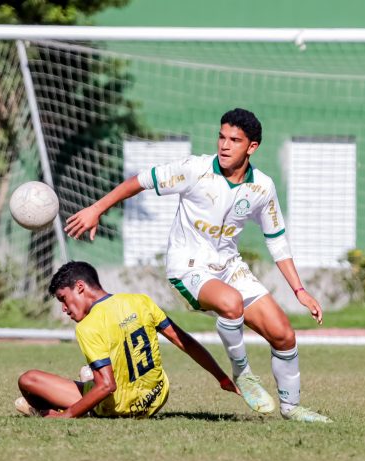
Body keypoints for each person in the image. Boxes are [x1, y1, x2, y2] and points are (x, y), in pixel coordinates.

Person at [64, 108, 331, 422]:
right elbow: (139, 181)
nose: (225, 145)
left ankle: (292, 408)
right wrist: (97, 209)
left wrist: (299, 290)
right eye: (221, 136)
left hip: (230, 267)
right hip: (188, 268)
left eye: (235, 139)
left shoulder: (262, 188)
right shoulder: (194, 169)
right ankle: (243, 373)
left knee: (284, 334)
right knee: (231, 303)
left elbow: (277, 240)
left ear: (252, 147)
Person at [15, 261, 240, 419]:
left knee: (28, 379)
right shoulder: (140, 301)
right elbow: (185, 342)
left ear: (80, 287)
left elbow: (107, 386)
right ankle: (88, 378)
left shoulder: (88, 326)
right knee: (95, 372)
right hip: (156, 399)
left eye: (63, 299)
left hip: (117, 408)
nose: (64, 309)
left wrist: (70, 415)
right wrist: (221, 377)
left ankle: (51, 412)